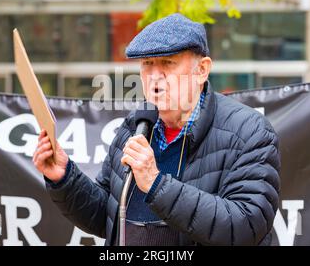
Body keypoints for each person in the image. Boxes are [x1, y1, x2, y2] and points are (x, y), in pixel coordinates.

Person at [33, 13, 280, 246]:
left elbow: (246, 225)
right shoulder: (134, 127)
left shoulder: (249, 131)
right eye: (147, 64)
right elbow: (106, 217)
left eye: (167, 63)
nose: (154, 76)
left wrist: (156, 183)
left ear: (202, 70)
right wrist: (65, 177)